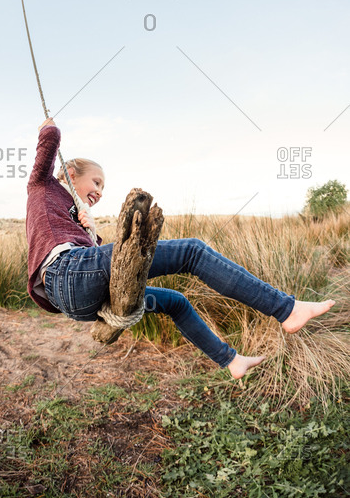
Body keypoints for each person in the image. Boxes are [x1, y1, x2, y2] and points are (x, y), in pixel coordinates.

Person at [26, 118, 336, 380]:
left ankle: (231, 361)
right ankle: (286, 309)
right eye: (96, 182)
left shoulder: (77, 215)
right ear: (70, 173)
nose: (100, 192)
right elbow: (47, 152)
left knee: (176, 302)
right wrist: (50, 129)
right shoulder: (44, 187)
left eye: (104, 187)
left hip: (79, 299)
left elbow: (108, 266)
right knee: (192, 251)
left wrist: (90, 230)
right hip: (67, 274)